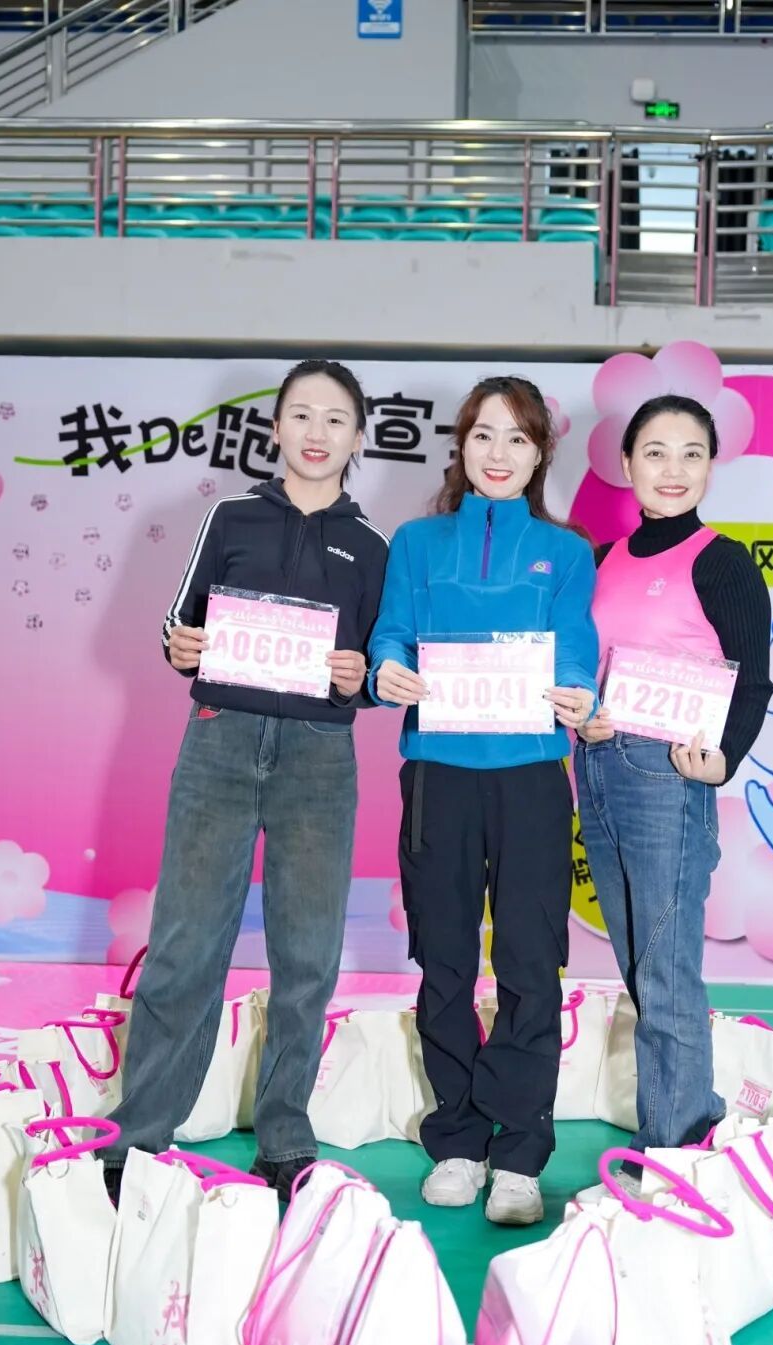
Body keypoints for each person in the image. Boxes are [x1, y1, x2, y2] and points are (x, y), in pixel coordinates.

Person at [98, 359, 389, 1204]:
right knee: (185, 945)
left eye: (335, 419)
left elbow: (379, 665)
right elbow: (179, 621)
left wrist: (361, 676)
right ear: (274, 427)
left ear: (358, 437)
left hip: (319, 758)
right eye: (301, 414)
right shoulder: (230, 516)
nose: (316, 432)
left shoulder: (372, 546)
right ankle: (139, 1136)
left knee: (307, 956)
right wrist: (178, 644)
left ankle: (285, 1140)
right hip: (219, 743)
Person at [368, 376, 599, 1226]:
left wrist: (577, 687)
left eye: (517, 439)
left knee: (532, 962)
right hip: (439, 774)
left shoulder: (566, 552)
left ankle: (521, 1153)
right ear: (461, 446)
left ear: (540, 455)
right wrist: (389, 668)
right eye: (483, 436)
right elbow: (391, 631)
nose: (498, 454)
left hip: (532, 775)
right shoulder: (417, 542)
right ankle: (458, 1141)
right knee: (446, 961)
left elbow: (575, 644)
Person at [575, 393, 773, 1154]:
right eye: (656, 452)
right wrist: (583, 716)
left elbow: (752, 680)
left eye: (692, 454)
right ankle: (692, 1121)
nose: (673, 469)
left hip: (669, 776)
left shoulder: (722, 561)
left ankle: (677, 1150)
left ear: (711, 467)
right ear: (626, 463)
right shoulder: (602, 561)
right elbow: (585, 667)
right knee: (640, 964)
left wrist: (724, 758)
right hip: (597, 764)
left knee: (665, 970)